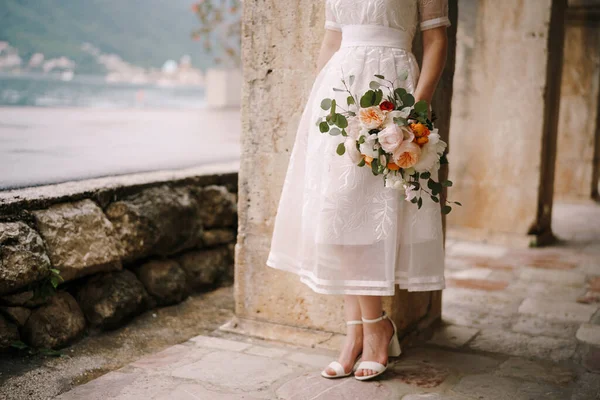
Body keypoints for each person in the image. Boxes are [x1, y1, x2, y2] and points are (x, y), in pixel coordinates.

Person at [266, 0, 450, 381]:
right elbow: (331, 41)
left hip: (391, 95)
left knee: (369, 213)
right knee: (339, 214)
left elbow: (435, 40)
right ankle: (360, 332)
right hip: (337, 100)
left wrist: (417, 109)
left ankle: (372, 330)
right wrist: (317, 110)